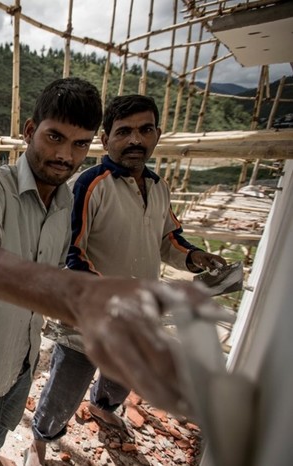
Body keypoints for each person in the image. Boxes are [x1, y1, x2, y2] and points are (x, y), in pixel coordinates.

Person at [0, 79, 222, 466]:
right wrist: (80, 293)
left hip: (25, 355)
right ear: (29, 131)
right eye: (54, 137)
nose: (64, 155)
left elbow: (157, 240)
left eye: (78, 144)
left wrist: (191, 263)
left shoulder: (65, 202)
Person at [25, 94, 227, 465]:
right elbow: (72, 252)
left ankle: (103, 407)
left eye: (145, 130)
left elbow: (169, 240)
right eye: (124, 132)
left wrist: (196, 257)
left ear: (157, 135)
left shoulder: (158, 186)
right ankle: (40, 440)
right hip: (89, 316)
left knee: (122, 375)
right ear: (106, 140)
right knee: (66, 386)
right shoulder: (90, 184)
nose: (135, 139)